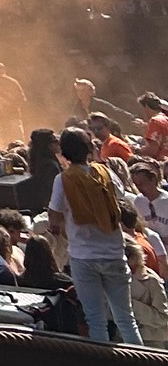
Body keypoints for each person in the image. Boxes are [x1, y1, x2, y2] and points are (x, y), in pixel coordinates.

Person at [48, 126, 137, 345]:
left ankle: (102, 363)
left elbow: (54, 216)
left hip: (83, 256)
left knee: (95, 320)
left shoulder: (63, 179)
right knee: (126, 319)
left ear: (64, 152)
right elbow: (121, 198)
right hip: (114, 252)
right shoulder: (106, 173)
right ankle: (142, 361)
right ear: (89, 148)